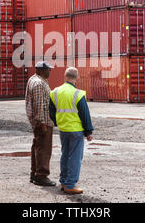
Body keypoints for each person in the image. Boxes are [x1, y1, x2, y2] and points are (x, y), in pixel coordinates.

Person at [49, 67, 94, 195]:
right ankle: (70, 185)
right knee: (74, 157)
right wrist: (88, 131)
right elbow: (85, 114)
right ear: (77, 78)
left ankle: (63, 182)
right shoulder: (78, 94)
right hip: (76, 130)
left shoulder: (55, 92)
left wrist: (58, 122)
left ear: (65, 76)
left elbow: (51, 111)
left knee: (65, 155)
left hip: (63, 129)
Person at [25, 61, 56, 187]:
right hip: (43, 122)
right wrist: (42, 122)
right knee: (44, 149)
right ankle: (41, 175)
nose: (50, 71)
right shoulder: (38, 83)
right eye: (48, 69)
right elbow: (39, 105)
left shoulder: (34, 79)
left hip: (40, 121)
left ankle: (34, 173)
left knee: (37, 147)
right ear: (40, 70)